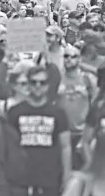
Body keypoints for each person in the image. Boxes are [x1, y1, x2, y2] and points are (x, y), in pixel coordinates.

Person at [8, 65, 71, 196]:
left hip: (50, 178)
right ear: (28, 85)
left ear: (48, 86)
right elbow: (8, 146)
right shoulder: (14, 112)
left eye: (42, 82)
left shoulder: (58, 113)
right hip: (20, 179)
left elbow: (66, 147)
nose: (38, 85)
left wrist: (67, 176)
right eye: (34, 82)